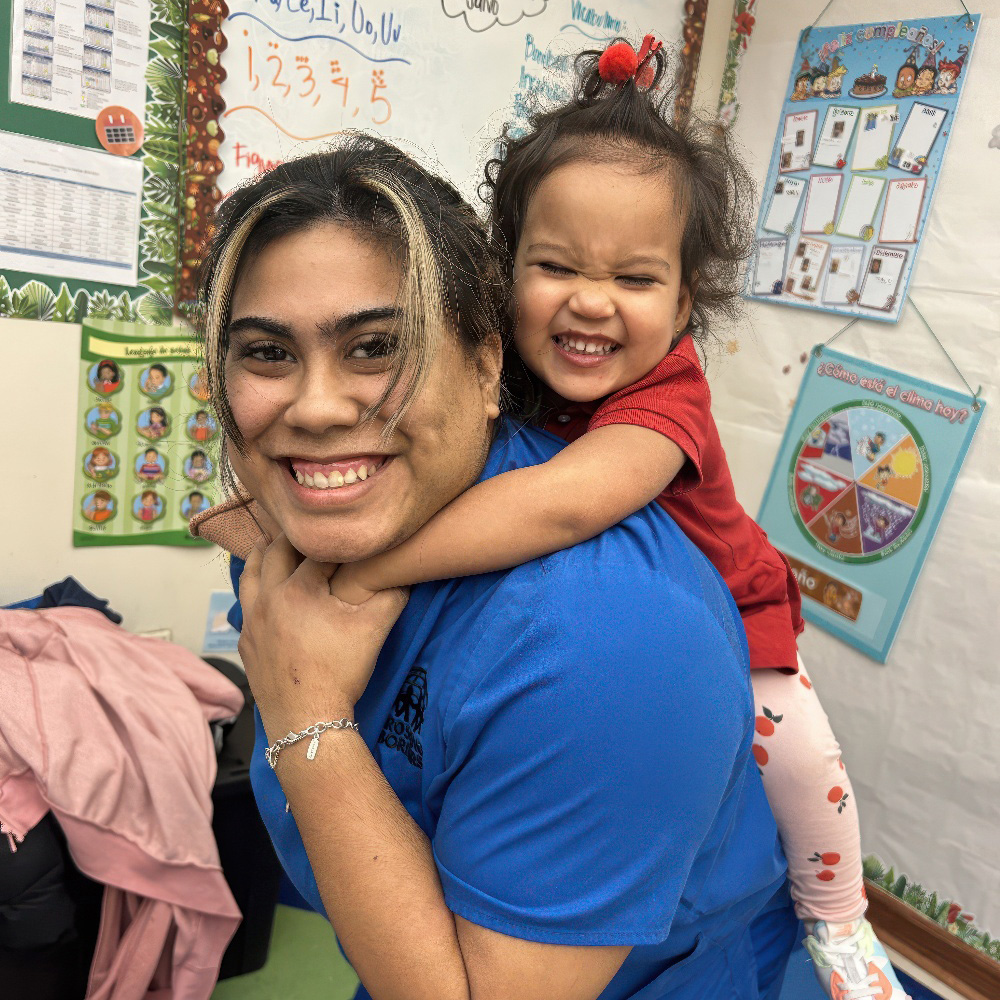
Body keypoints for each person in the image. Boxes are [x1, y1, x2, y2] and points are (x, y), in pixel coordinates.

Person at [330, 38, 906, 1000]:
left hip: (745, 620)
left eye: (634, 281)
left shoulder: (666, 400)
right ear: (503, 269)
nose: (590, 302)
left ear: (684, 304)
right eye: (554, 265)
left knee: (801, 754)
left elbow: (559, 506)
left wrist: (375, 565)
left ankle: (842, 918)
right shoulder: (507, 370)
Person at [190, 130, 799, 997]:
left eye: (374, 346)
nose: (316, 407)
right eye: (267, 353)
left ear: (487, 365)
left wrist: (303, 710)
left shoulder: (608, 644)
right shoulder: (313, 535)